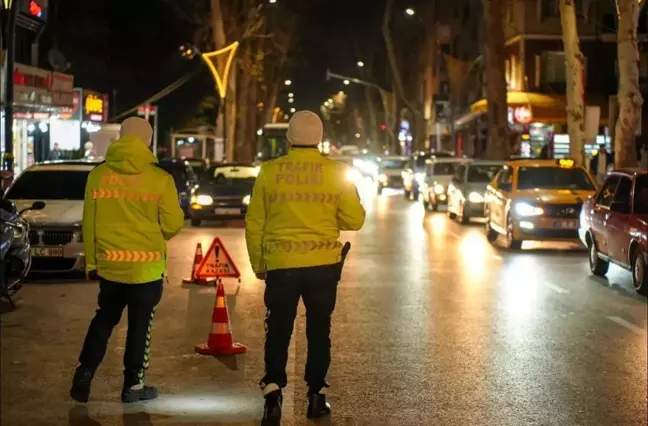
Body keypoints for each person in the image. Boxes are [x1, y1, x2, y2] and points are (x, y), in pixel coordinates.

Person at [245, 111, 366, 425]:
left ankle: (273, 396)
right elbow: (354, 220)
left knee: (279, 331)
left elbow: (255, 223)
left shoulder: (269, 172)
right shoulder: (337, 172)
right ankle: (316, 397)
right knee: (318, 331)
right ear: (321, 139)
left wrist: (259, 264)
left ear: (289, 139)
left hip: (281, 267)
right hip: (323, 267)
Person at [70, 117, 184, 404]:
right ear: (147, 140)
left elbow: (89, 223)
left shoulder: (98, 175)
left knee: (104, 318)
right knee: (140, 326)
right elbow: (173, 224)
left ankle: (84, 374)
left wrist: (93, 263)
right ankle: (133, 386)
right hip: (146, 270)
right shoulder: (160, 179)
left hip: (110, 266)